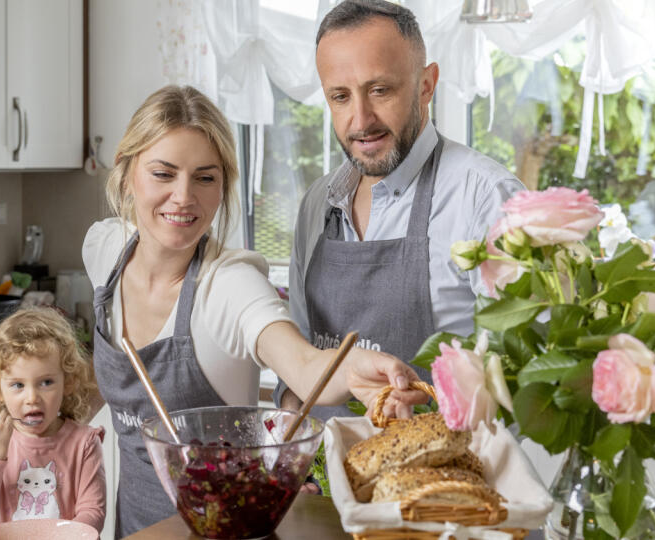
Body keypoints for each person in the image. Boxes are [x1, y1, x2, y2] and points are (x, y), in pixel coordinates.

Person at [82, 84, 427, 536]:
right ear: (127, 174)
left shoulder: (229, 284)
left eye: (205, 177)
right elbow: (108, 385)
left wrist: (357, 367)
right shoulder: (103, 250)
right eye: (163, 174)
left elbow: (302, 363)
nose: (184, 197)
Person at [274, 0, 525, 418]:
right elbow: (298, 356)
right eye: (340, 96)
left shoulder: (487, 198)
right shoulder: (318, 204)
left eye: (380, 90)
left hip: (441, 477)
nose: (361, 120)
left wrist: (433, 399)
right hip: (320, 479)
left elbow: (520, 376)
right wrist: (290, 421)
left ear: (427, 84)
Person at [0, 307, 106, 532]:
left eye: (46, 382)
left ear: (69, 381)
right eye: (18, 385)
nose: (32, 398)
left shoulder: (84, 443)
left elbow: (93, 511)